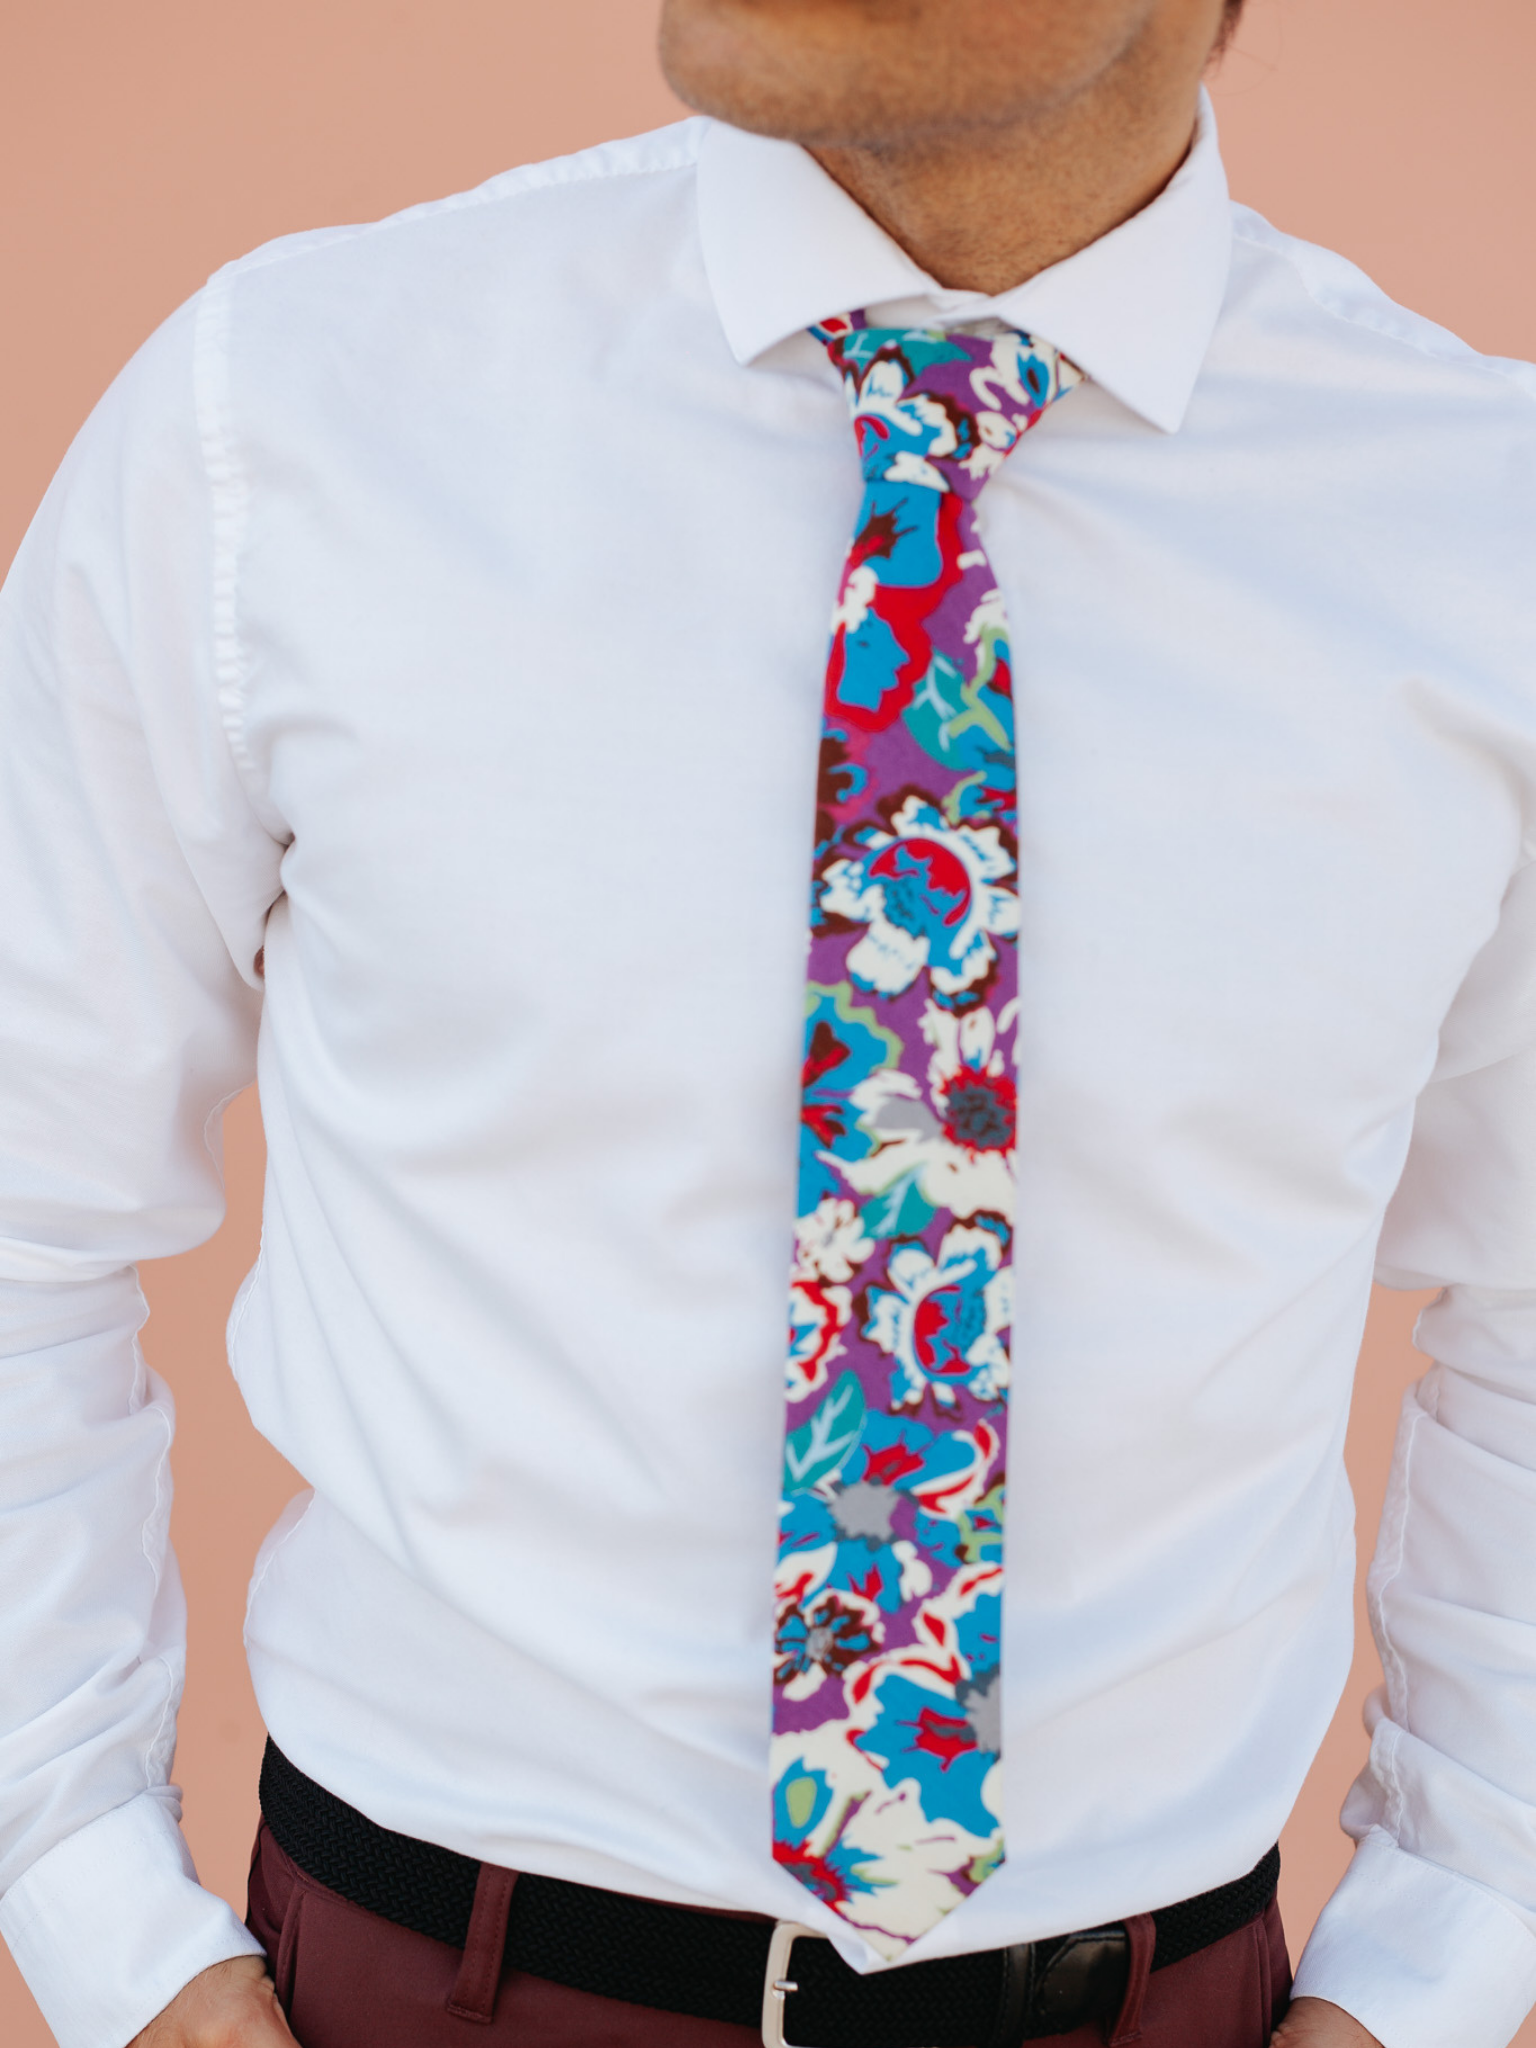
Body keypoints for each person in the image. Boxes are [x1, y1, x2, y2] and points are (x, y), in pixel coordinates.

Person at [2, 0, 1533, 2042]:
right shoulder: (282, 419)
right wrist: (110, 1931)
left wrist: (1442, 1958)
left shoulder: (1476, 539)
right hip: (406, 1986)